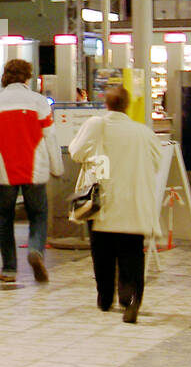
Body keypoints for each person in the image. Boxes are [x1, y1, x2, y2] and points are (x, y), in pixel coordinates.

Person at [69, 84, 163, 323]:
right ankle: (131, 298)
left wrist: (95, 159)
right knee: (132, 253)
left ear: (106, 104)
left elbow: (76, 152)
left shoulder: (96, 124)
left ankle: (105, 297)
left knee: (102, 252)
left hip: (103, 202)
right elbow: (157, 160)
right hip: (134, 202)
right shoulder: (143, 132)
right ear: (127, 105)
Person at [0, 58, 63, 283]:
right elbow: (51, 139)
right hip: (35, 170)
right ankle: (35, 250)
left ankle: (8, 269)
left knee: (4, 219)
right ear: (28, 77)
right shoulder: (40, 102)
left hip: (4, 173)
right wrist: (57, 167)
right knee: (38, 214)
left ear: (5, 76)